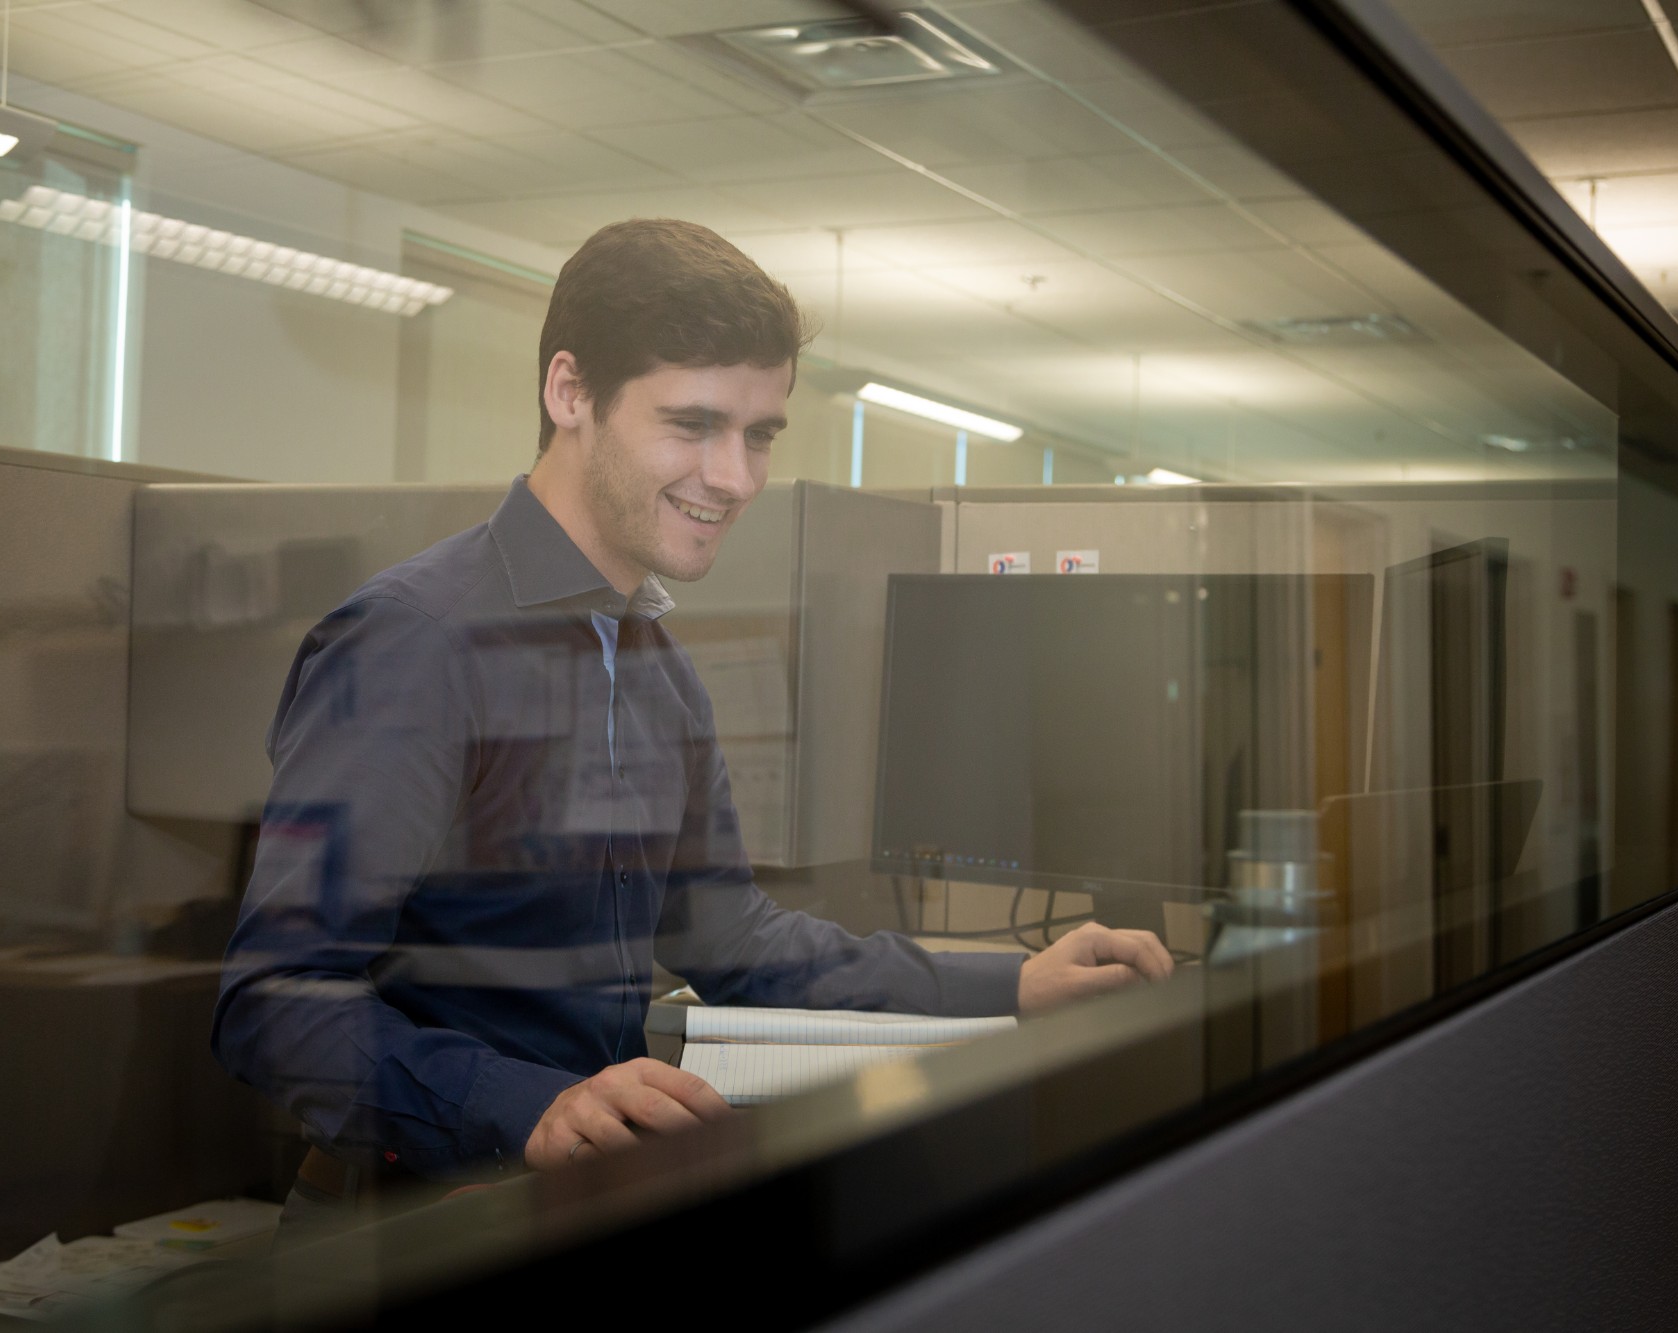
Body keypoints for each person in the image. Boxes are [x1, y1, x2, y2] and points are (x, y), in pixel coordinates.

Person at [212, 219, 1172, 1227]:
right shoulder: (418, 641)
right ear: (569, 392)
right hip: (401, 1233)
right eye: (692, 424)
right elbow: (275, 1003)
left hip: (561, 1213)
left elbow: (734, 939)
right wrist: (533, 1106)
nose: (735, 477)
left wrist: (1013, 982)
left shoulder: (654, 668)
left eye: (757, 433)